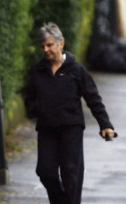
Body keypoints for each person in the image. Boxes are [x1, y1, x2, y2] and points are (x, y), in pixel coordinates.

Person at [24, 22, 116, 204]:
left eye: (49, 45)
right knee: (45, 171)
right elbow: (29, 97)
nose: (45, 50)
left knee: (71, 173)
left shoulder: (76, 70)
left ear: (61, 44)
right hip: (47, 129)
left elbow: (93, 98)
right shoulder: (38, 70)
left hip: (71, 128)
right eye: (42, 46)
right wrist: (35, 110)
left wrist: (105, 124)